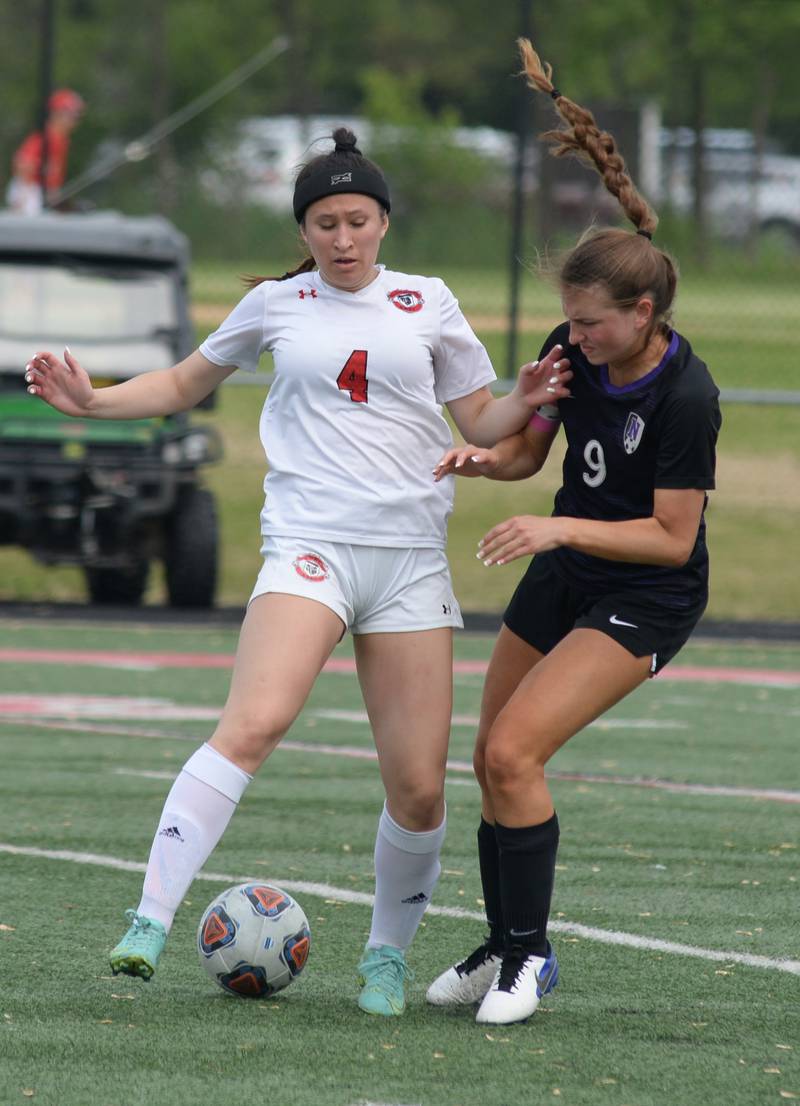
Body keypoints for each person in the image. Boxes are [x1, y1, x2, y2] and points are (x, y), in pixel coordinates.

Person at [23, 126, 572, 1017]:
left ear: (384, 222)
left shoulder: (428, 302)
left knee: (421, 786)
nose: (343, 237)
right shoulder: (278, 305)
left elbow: (481, 420)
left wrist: (530, 397)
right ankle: (149, 919)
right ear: (306, 229)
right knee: (256, 720)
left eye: (357, 219)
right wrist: (94, 401)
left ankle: (386, 959)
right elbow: (180, 385)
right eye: (325, 222)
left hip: (405, 563)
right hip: (310, 546)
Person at [426, 40, 722, 1026]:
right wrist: (491, 450)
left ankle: (530, 958)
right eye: (570, 323)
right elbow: (525, 457)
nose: (576, 338)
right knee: (489, 756)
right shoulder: (570, 349)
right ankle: (501, 943)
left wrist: (553, 524)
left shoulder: (685, 393)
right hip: (567, 564)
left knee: (516, 752)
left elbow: (673, 539)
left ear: (643, 313)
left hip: (642, 590)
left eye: (592, 325)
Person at [7, 88, 85, 215]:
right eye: (71, 114)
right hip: (30, 192)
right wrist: (25, 194)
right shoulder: (46, 137)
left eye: (76, 115)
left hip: (42, 193)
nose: (74, 120)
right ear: (57, 114)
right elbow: (22, 163)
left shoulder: (61, 140)